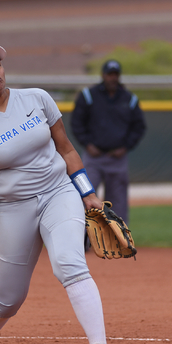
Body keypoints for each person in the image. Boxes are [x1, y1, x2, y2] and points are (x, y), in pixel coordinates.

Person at [0, 43, 115, 344]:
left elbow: (67, 149)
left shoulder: (36, 98)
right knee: (8, 299)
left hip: (58, 193)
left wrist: (87, 192)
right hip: (13, 209)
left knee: (69, 262)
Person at [70, 59, 146, 223]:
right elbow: (76, 122)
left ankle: (119, 242)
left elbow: (139, 126)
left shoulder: (129, 98)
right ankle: (83, 239)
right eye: (109, 74)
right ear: (103, 75)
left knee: (118, 202)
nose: (112, 78)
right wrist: (87, 143)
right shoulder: (88, 96)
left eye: (115, 75)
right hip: (93, 157)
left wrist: (125, 146)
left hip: (117, 158)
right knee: (85, 195)